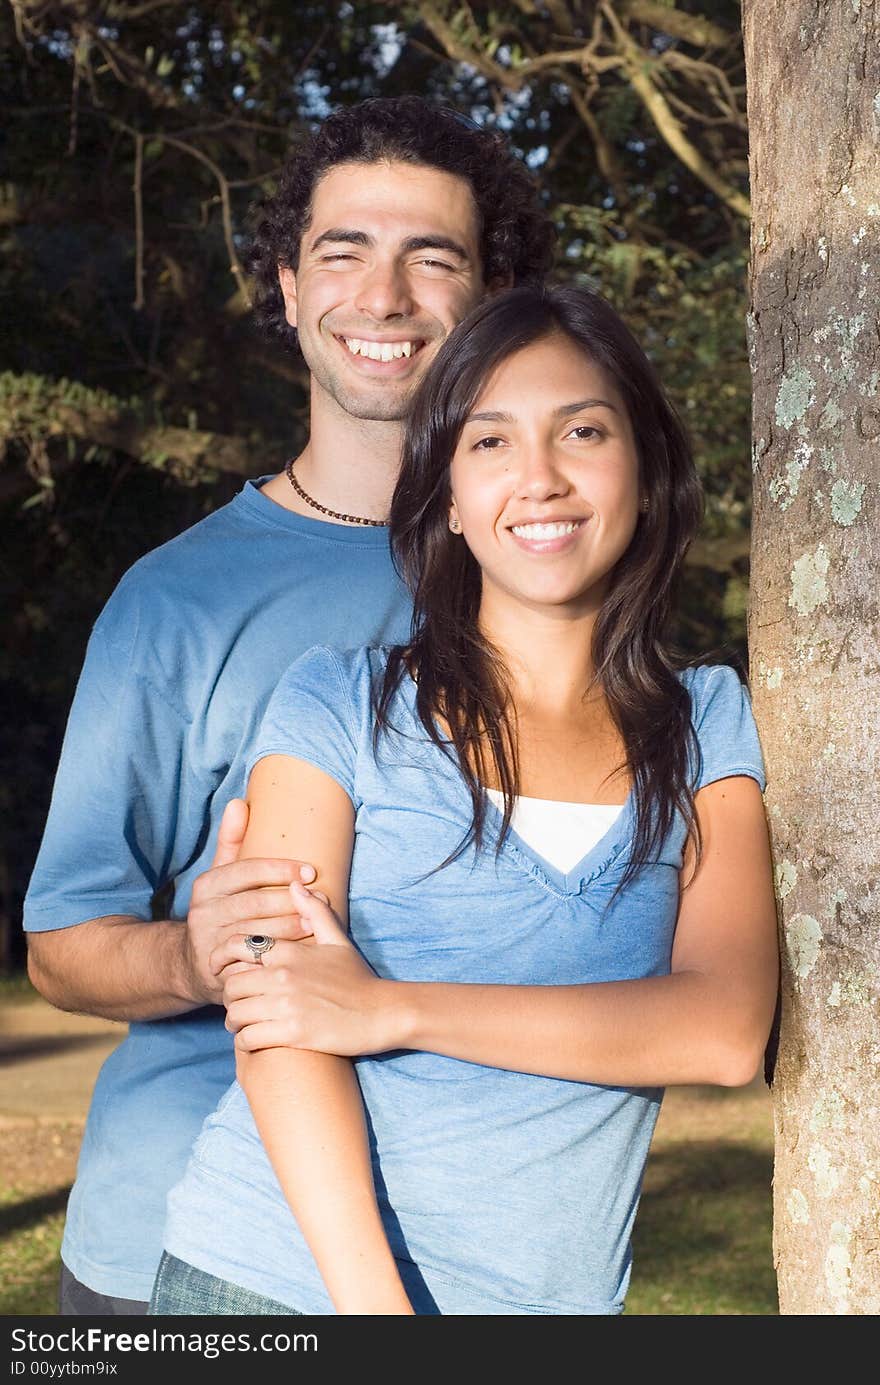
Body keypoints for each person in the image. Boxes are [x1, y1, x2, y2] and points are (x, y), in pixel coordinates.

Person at [148, 283, 780, 1317]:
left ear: (646, 469)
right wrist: (378, 1310)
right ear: (444, 491)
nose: (539, 478)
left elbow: (720, 1027)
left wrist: (392, 1005)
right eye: (488, 443)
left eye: (581, 430)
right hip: (277, 1283)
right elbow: (281, 1021)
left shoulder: (707, 722)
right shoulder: (333, 703)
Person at [22, 96, 556, 1314]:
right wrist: (192, 953)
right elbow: (60, 944)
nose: (384, 296)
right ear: (286, 282)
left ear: (494, 290)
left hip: (481, 1244)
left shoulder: (555, 573)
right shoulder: (174, 601)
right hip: (186, 1256)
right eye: (343, 251)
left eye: (433, 256)